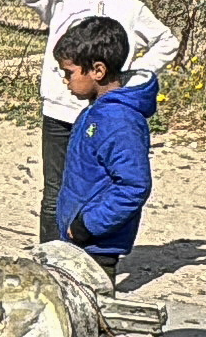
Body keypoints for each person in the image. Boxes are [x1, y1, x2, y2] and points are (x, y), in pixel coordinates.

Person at [13, 0, 179, 245]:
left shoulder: (130, 9)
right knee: (54, 192)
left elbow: (167, 41)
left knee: (93, 186)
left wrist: (131, 73)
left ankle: (89, 253)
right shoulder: (62, 1)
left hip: (100, 113)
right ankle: (50, 259)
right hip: (59, 111)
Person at [49, 15, 154, 274]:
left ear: (98, 70)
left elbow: (133, 186)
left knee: (94, 311)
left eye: (69, 73)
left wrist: (88, 225)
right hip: (79, 242)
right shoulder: (94, 111)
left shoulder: (119, 121)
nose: (65, 80)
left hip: (97, 248)